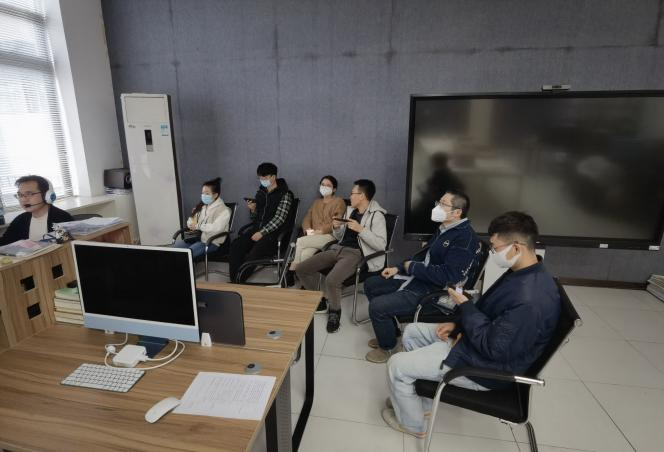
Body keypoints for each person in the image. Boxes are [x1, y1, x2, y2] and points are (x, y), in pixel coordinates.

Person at [381, 211, 561, 438]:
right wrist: (457, 325)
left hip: (486, 368)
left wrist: (465, 307)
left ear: (516, 248)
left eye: (495, 248)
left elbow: (494, 348)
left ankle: (412, 424)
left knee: (396, 365)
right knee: (412, 332)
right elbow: (489, 312)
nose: (492, 252)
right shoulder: (522, 272)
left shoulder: (530, 300)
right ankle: (420, 402)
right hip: (475, 342)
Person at [364, 189, 480, 363]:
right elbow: (423, 256)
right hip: (420, 279)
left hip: (435, 293)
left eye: (443, 204)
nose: (437, 207)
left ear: (457, 212)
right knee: (371, 284)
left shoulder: (465, 239)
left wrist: (412, 267)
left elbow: (449, 277)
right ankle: (390, 332)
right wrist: (398, 268)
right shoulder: (445, 228)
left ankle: (387, 347)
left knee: (377, 307)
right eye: (438, 202)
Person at [296, 179, 387, 333]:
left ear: (362, 196)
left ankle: (335, 312)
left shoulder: (377, 216)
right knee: (301, 269)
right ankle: (321, 301)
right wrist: (336, 227)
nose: (350, 196)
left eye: (352, 193)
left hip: (356, 254)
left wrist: (361, 229)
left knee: (332, 280)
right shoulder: (350, 211)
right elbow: (339, 237)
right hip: (337, 248)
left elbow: (381, 245)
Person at [228, 162, 294, 283]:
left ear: (273, 177)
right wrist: (253, 209)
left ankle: (239, 280)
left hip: (273, 235)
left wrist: (262, 233)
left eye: (265, 177)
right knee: (236, 245)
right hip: (256, 230)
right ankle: (234, 279)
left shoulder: (285, 195)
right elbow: (255, 218)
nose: (262, 180)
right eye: (260, 178)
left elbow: (279, 219)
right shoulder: (261, 193)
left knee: (256, 252)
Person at [289, 175, 346, 271]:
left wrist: (322, 231)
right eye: (322, 184)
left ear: (334, 189)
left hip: (330, 236)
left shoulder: (339, 201)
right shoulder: (316, 202)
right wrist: (308, 230)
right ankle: (301, 278)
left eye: (328, 185)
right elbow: (307, 218)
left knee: (300, 241)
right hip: (314, 236)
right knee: (304, 255)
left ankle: (292, 267)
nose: (324, 187)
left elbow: (337, 221)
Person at [0, 175, 73, 245]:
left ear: (46, 195)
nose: (23, 199)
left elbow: (67, 247)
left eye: (29, 194)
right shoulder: (20, 220)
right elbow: (5, 243)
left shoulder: (62, 218)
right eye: (20, 195)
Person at [173, 177, 231, 258]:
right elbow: (190, 220)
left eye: (207, 193)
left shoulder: (224, 210)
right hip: (198, 238)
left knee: (188, 254)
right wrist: (191, 224)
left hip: (211, 242)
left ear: (215, 195)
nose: (204, 196)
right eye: (202, 193)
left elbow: (216, 228)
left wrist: (198, 226)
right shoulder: (201, 206)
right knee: (176, 248)